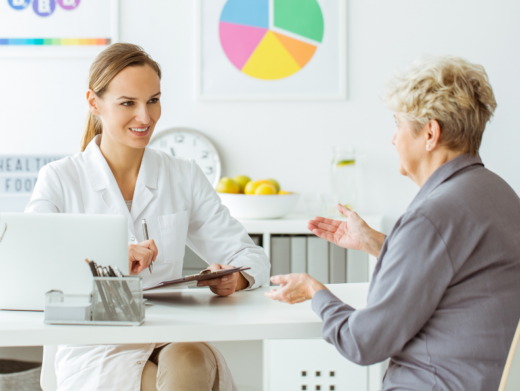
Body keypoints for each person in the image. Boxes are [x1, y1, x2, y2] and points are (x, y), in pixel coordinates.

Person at [266, 56, 520, 390]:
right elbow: (459, 273)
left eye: (397, 124)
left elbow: (364, 342)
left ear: (430, 133)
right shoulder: (501, 195)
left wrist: (316, 293)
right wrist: (379, 244)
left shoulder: (431, 217)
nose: (393, 139)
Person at [26, 43, 270, 391]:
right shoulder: (60, 179)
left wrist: (235, 279)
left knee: (190, 357)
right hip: (97, 346)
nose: (146, 117)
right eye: (128, 103)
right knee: (187, 372)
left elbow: (250, 257)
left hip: (171, 334)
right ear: (94, 103)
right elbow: (32, 271)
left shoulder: (182, 175)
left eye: (153, 100)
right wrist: (108, 261)